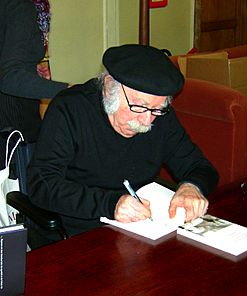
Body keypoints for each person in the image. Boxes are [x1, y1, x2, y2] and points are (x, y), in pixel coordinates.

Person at [27, 44, 219, 243]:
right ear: (110, 87)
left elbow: (201, 168)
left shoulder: (160, 116)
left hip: (147, 228)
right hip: (86, 230)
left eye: (157, 109)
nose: (147, 121)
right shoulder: (70, 110)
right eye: (140, 107)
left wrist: (191, 187)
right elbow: (42, 185)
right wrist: (110, 204)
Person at [0, 0, 68, 168]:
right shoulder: (20, 7)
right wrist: (70, 90)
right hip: (13, 122)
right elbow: (10, 78)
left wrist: (30, 66)